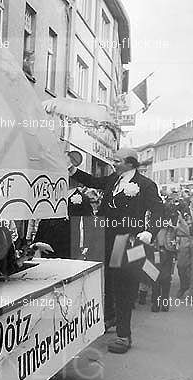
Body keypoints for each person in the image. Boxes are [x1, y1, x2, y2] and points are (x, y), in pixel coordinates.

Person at [70, 147, 162, 354]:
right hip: (105, 238)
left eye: (117, 160)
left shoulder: (146, 185)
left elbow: (158, 210)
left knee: (124, 286)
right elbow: (93, 182)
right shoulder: (113, 179)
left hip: (127, 241)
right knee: (106, 282)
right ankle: (110, 317)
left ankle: (124, 335)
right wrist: (72, 170)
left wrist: (150, 231)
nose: (113, 162)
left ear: (130, 163)